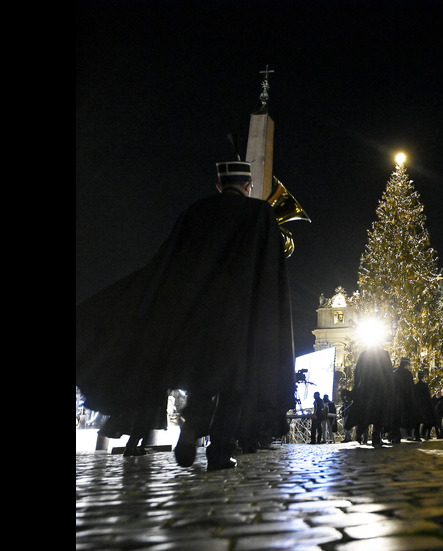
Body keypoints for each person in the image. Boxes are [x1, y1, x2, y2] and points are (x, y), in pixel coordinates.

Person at [76, 157, 296, 471]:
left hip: (199, 313)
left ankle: (191, 429)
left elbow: (170, 260)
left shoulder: (197, 209)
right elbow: (270, 268)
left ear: (219, 185)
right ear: (248, 186)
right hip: (240, 315)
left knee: (203, 380)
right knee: (233, 386)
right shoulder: (260, 212)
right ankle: (220, 452)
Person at [348, 346, 394, 448]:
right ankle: (376, 437)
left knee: (365, 414)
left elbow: (357, 372)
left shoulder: (364, 354)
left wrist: (357, 387)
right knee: (379, 415)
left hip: (366, 389)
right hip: (380, 390)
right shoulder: (384, 354)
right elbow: (389, 374)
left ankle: (360, 434)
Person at [390, 357, 419, 443]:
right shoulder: (408, 374)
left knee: (396, 419)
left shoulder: (395, 373)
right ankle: (409, 434)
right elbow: (410, 388)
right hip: (406, 400)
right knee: (407, 417)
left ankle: (396, 436)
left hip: (396, 400)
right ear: (407, 364)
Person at [413, 368, 440, 440]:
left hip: (417, 405)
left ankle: (417, 436)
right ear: (423, 377)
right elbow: (427, 396)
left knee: (417, 422)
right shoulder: (424, 385)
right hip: (425, 405)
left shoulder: (415, 386)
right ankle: (425, 434)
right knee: (428, 421)